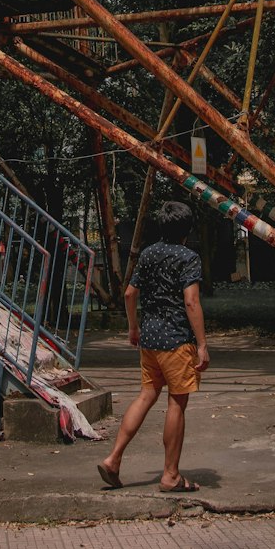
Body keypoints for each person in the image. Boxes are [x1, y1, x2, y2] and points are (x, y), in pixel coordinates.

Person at [96, 200, 209, 493]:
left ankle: (113, 458)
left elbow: (130, 294)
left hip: (149, 339)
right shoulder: (188, 257)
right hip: (176, 341)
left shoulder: (148, 254)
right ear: (187, 229)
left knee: (146, 395)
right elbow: (191, 301)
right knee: (177, 402)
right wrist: (202, 344)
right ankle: (170, 475)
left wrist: (133, 328)